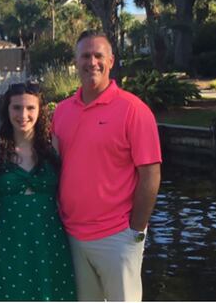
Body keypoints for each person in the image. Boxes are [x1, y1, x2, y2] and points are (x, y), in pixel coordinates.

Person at [51, 31, 162, 301]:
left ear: (111, 61)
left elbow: (150, 174)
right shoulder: (61, 111)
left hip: (117, 237)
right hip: (73, 234)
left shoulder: (133, 110)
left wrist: (135, 230)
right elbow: (55, 167)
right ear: (75, 62)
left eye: (98, 56)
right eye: (85, 56)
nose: (92, 62)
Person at [0, 82, 76, 301]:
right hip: (9, 235)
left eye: (30, 108)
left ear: (39, 111)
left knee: (52, 292)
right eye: (16, 108)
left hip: (49, 234)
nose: (23, 114)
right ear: (7, 110)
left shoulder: (54, 146)